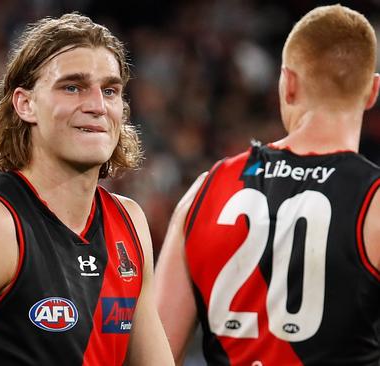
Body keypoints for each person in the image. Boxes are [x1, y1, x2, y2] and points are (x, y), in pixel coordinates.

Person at [0, 13, 174, 366]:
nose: (96, 105)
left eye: (110, 90)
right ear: (25, 104)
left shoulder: (129, 221)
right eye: (72, 87)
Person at [155, 4, 380, 365]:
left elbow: (154, 354)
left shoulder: (206, 189)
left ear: (288, 83)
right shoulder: (374, 204)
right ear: (372, 91)